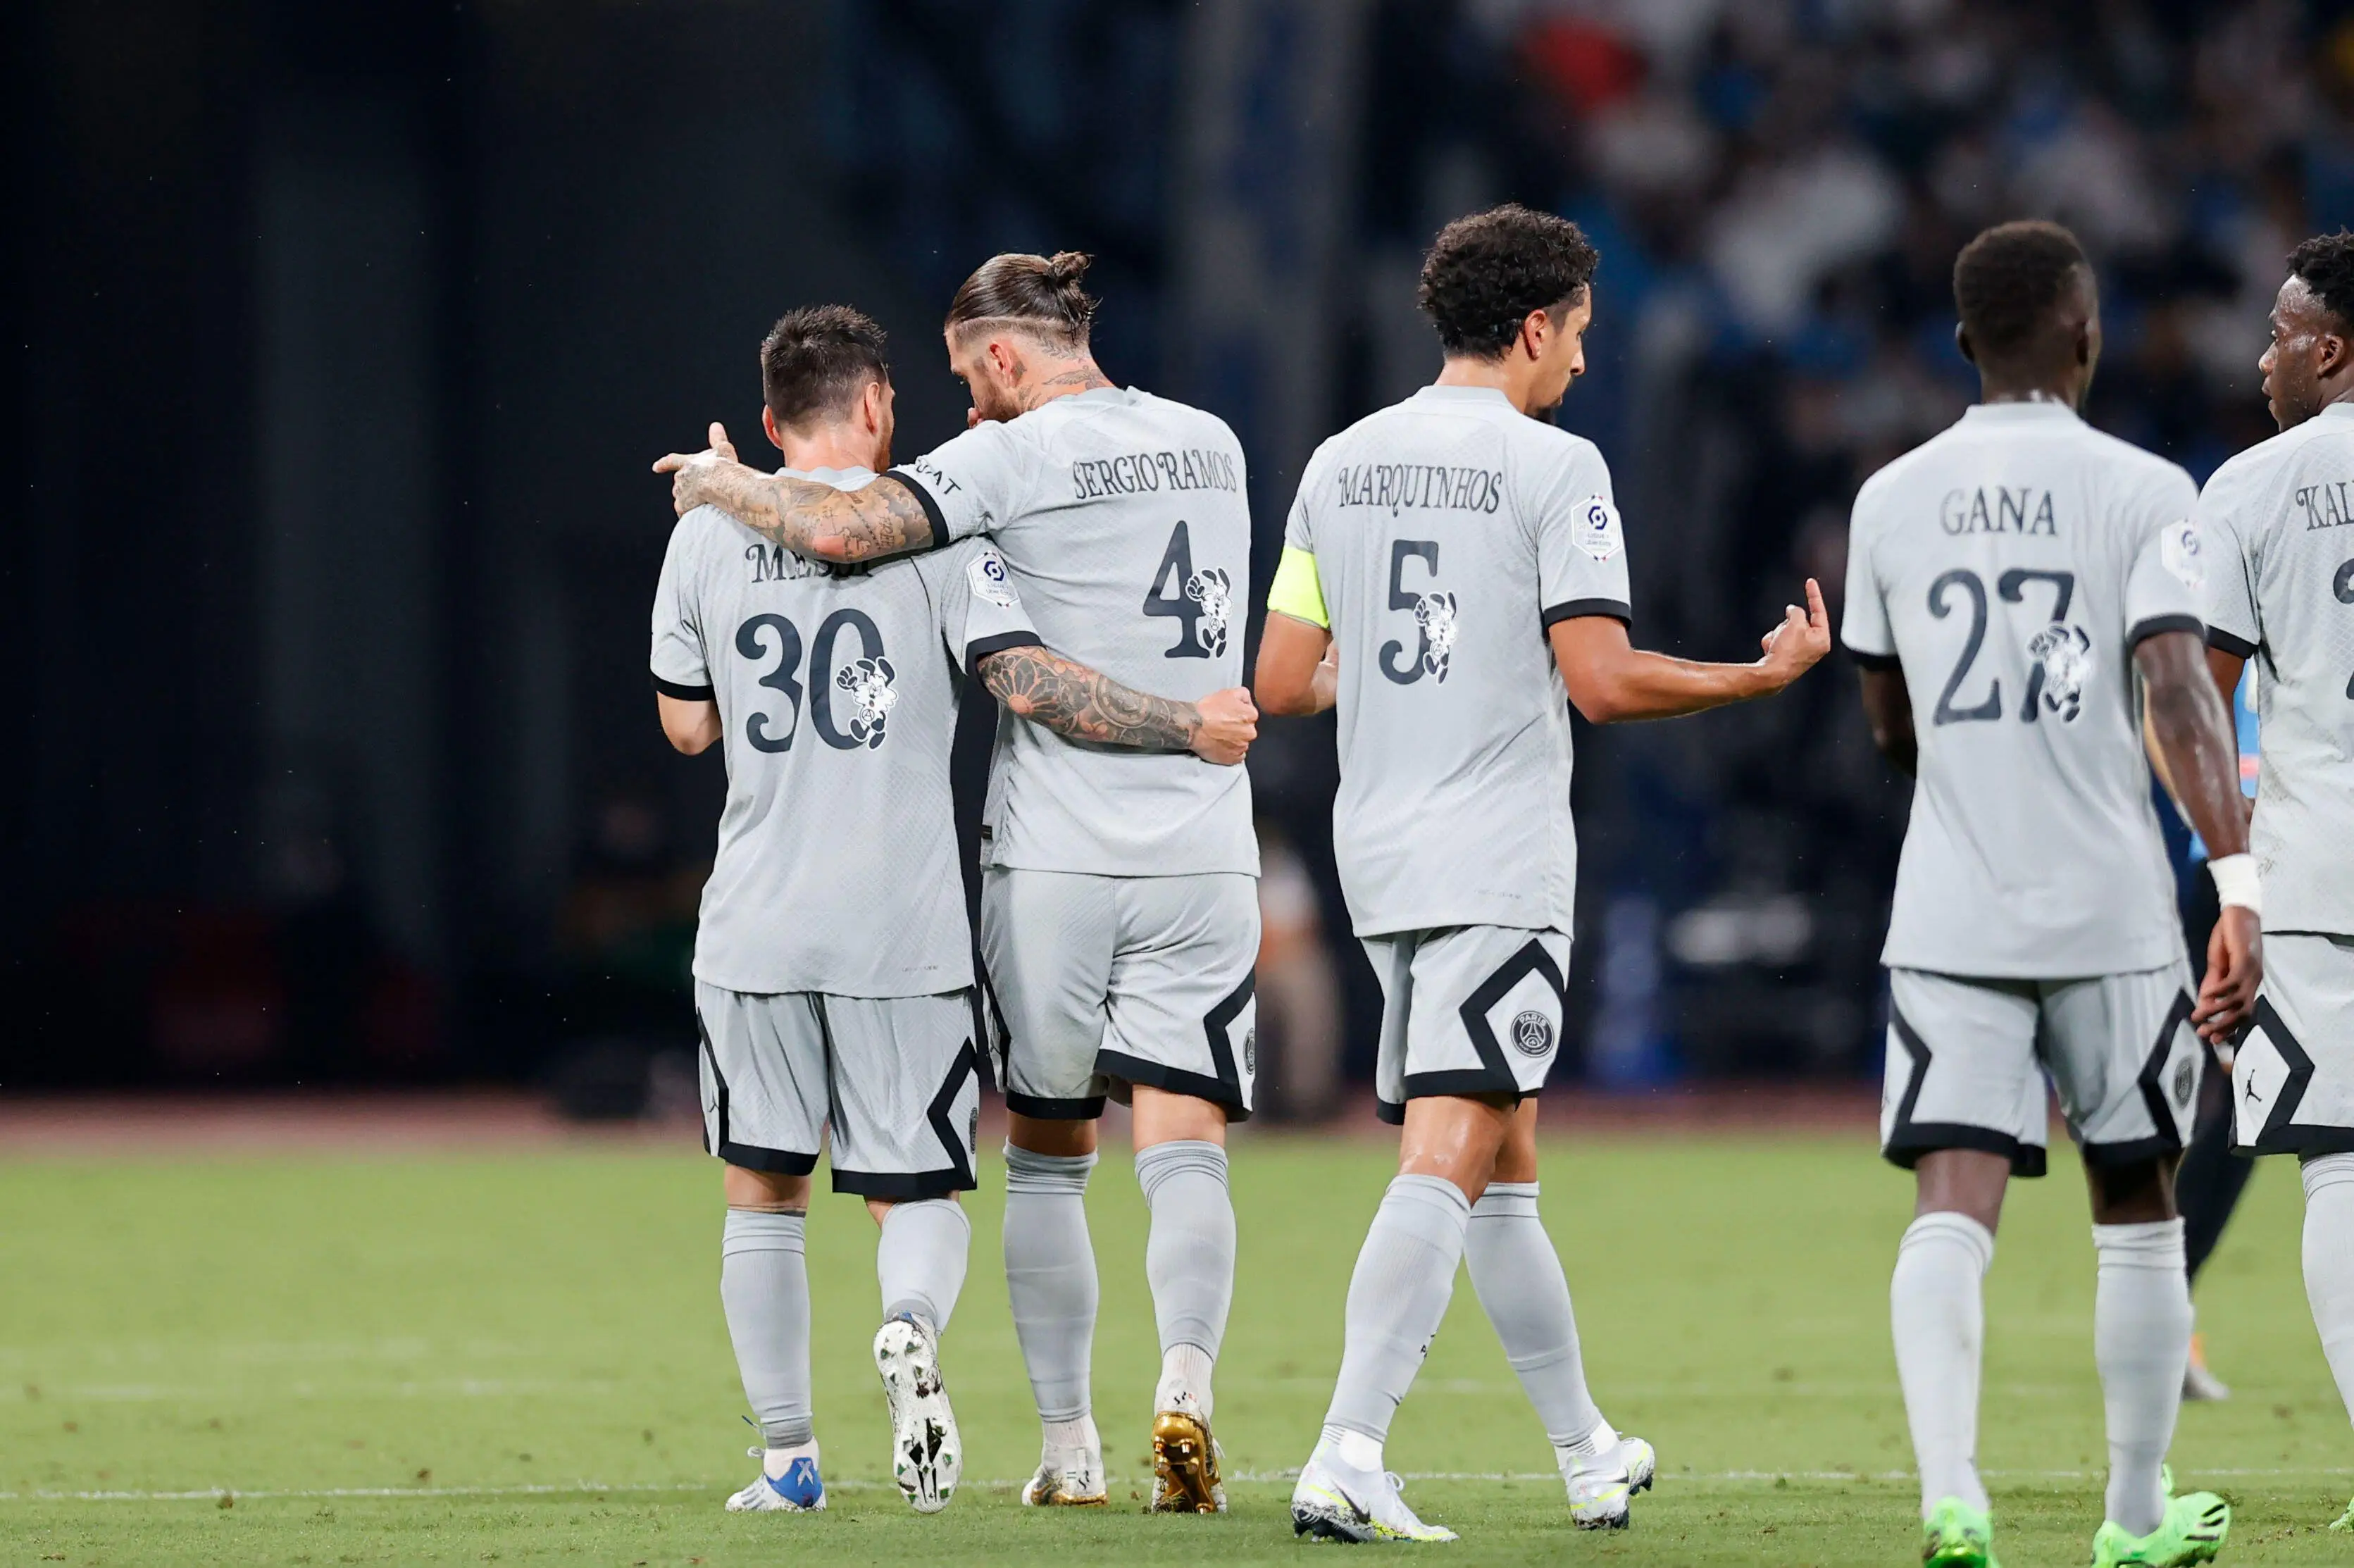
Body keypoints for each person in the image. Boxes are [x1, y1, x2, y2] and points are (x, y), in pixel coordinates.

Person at [1253, 203, 1832, 1543]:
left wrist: (1411, 683)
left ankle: (1584, 1450)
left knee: (1504, 1160)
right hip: (1495, 858)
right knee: (1451, 1151)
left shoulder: (1339, 462)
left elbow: (1283, 679)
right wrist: (1757, 674)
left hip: (1382, 856)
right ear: (1530, 328)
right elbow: (1604, 682)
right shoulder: (1553, 467)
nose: (1580, 359)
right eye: (1576, 332)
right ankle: (1348, 1445)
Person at [655, 256, 1261, 1513]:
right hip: (1140, 863)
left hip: (872, 897)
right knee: (1150, 1149)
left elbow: (703, 708)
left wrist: (723, 489)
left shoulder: (946, 489)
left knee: (938, 1173)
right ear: (872, 406)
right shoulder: (1209, 444)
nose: (958, 413)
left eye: (962, 382)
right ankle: (1170, 1380)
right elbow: (1014, 666)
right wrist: (1193, 723)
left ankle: (987, 1449)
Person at [1841, 220, 2258, 1568]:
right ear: (2085, 335)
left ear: (1962, 343)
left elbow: (1887, 718)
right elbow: (2180, 692)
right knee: (2137, 1204)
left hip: (1952, 902)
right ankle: (2132, 1518)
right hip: (2108, 909)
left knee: (1950, 1199)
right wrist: (2236, 878)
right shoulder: (2145, 490)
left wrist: (1969, 763)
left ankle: (1950, 1495)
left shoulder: (1887, 496)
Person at [2195, 229, 2354, 1536]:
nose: (2263, 358)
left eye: (2278, 333)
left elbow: (2200, 704)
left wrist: (2226, 879)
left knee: (2338, 1171)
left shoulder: (2252, 486)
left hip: (2322, 879)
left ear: (2331, 349)